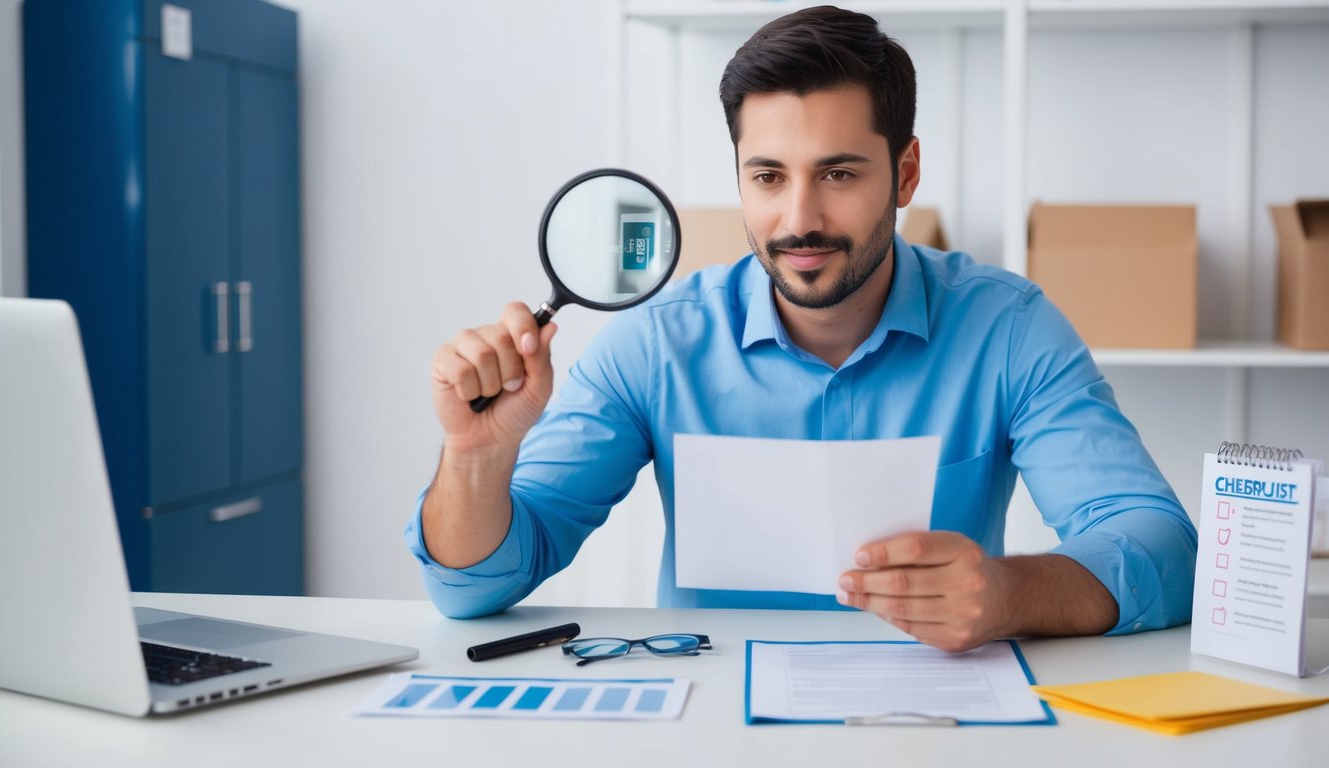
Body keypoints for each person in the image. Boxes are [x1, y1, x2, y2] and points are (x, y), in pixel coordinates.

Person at [406, 4, 1197, 653]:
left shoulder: (1009, 329)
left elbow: (1162, 546)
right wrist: (476, 458)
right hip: (707, 725)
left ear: (906, 174)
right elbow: (471, 587)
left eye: (839, 173)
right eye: (768, 177)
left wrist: (1008, 594)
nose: (799, 219)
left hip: (935, 728)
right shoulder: (654, 345)